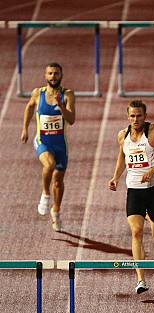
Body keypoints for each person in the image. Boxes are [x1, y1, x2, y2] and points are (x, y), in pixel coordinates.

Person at [108, 100, 154, 294]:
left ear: (145, 116)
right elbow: (122, 156)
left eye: (139, 116)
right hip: (134, 190)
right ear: (128, 117)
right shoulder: (122, 136)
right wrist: (116, 177)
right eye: (132, 116)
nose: (135, 119)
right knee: (136, 232)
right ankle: (141, 280)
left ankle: (151, 216)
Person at [20, 62, 76, 232]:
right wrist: (25, 128)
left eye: (56, 73)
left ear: (61, 76)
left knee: (58, 181)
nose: (53, 76)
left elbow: (72, 119)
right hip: (42, 140)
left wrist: (60, 105)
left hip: (60, 144)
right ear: (45, 76)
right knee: (49, 165)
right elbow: (29, 107)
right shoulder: (38, 93)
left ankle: (56, 211)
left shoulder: (68, 95)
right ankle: (45, 194)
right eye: (50, 73)